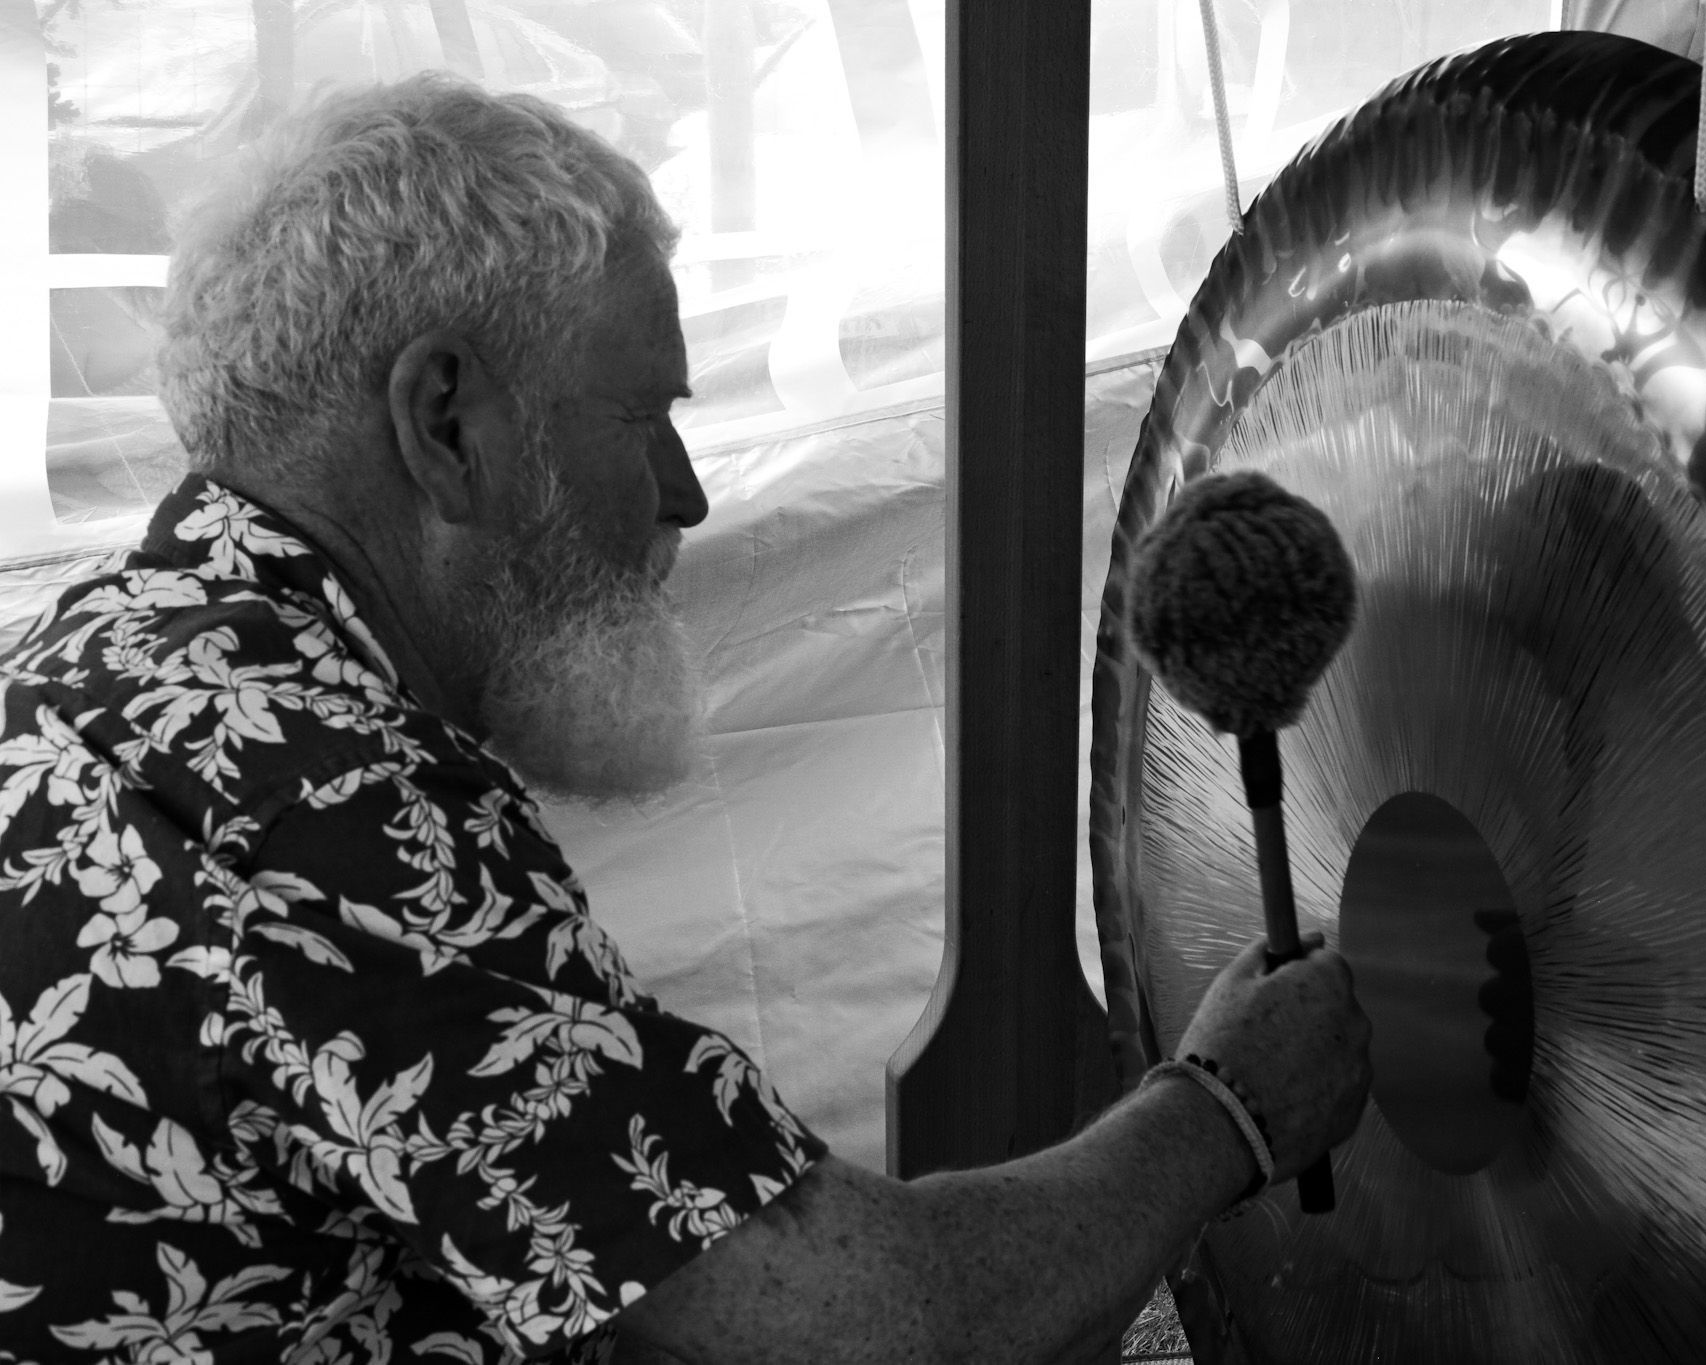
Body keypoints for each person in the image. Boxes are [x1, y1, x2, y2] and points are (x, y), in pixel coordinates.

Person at [0, 76, 1371, 1363]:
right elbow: (870, 1325)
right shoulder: (312, 795)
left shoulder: (98, 661)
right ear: (446, 419)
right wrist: (1225, 1110)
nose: (686, 491)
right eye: (647, 415)